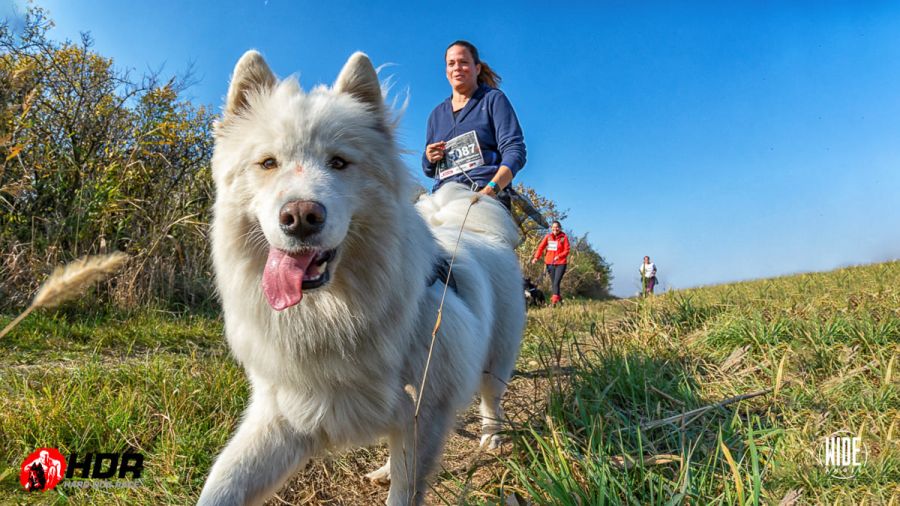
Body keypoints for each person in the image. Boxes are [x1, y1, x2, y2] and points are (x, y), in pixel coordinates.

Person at [422, 40, 526, 210]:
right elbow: (429, 170)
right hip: (442, 202)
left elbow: (515, 151)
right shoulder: (436, 115)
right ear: (446, 71)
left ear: (477, 68)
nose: (457, 68)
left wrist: (490, 191)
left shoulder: (493, 100)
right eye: (451, 63)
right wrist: (429, 157)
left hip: (484, 198)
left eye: (464, 62)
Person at [531, 221, 570, 305]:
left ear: (560, 228)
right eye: (553, 227)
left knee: (556, 282)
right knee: (554, 284)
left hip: (561, 263)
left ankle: (553, 303)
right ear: (551, 228)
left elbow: (567, 250)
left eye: (557, 227)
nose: (555, 228)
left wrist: (559, 256)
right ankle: (560, 301)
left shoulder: (564, 237)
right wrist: (536, 258)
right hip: (550, 263)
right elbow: (540, 247)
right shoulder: (548, 237)